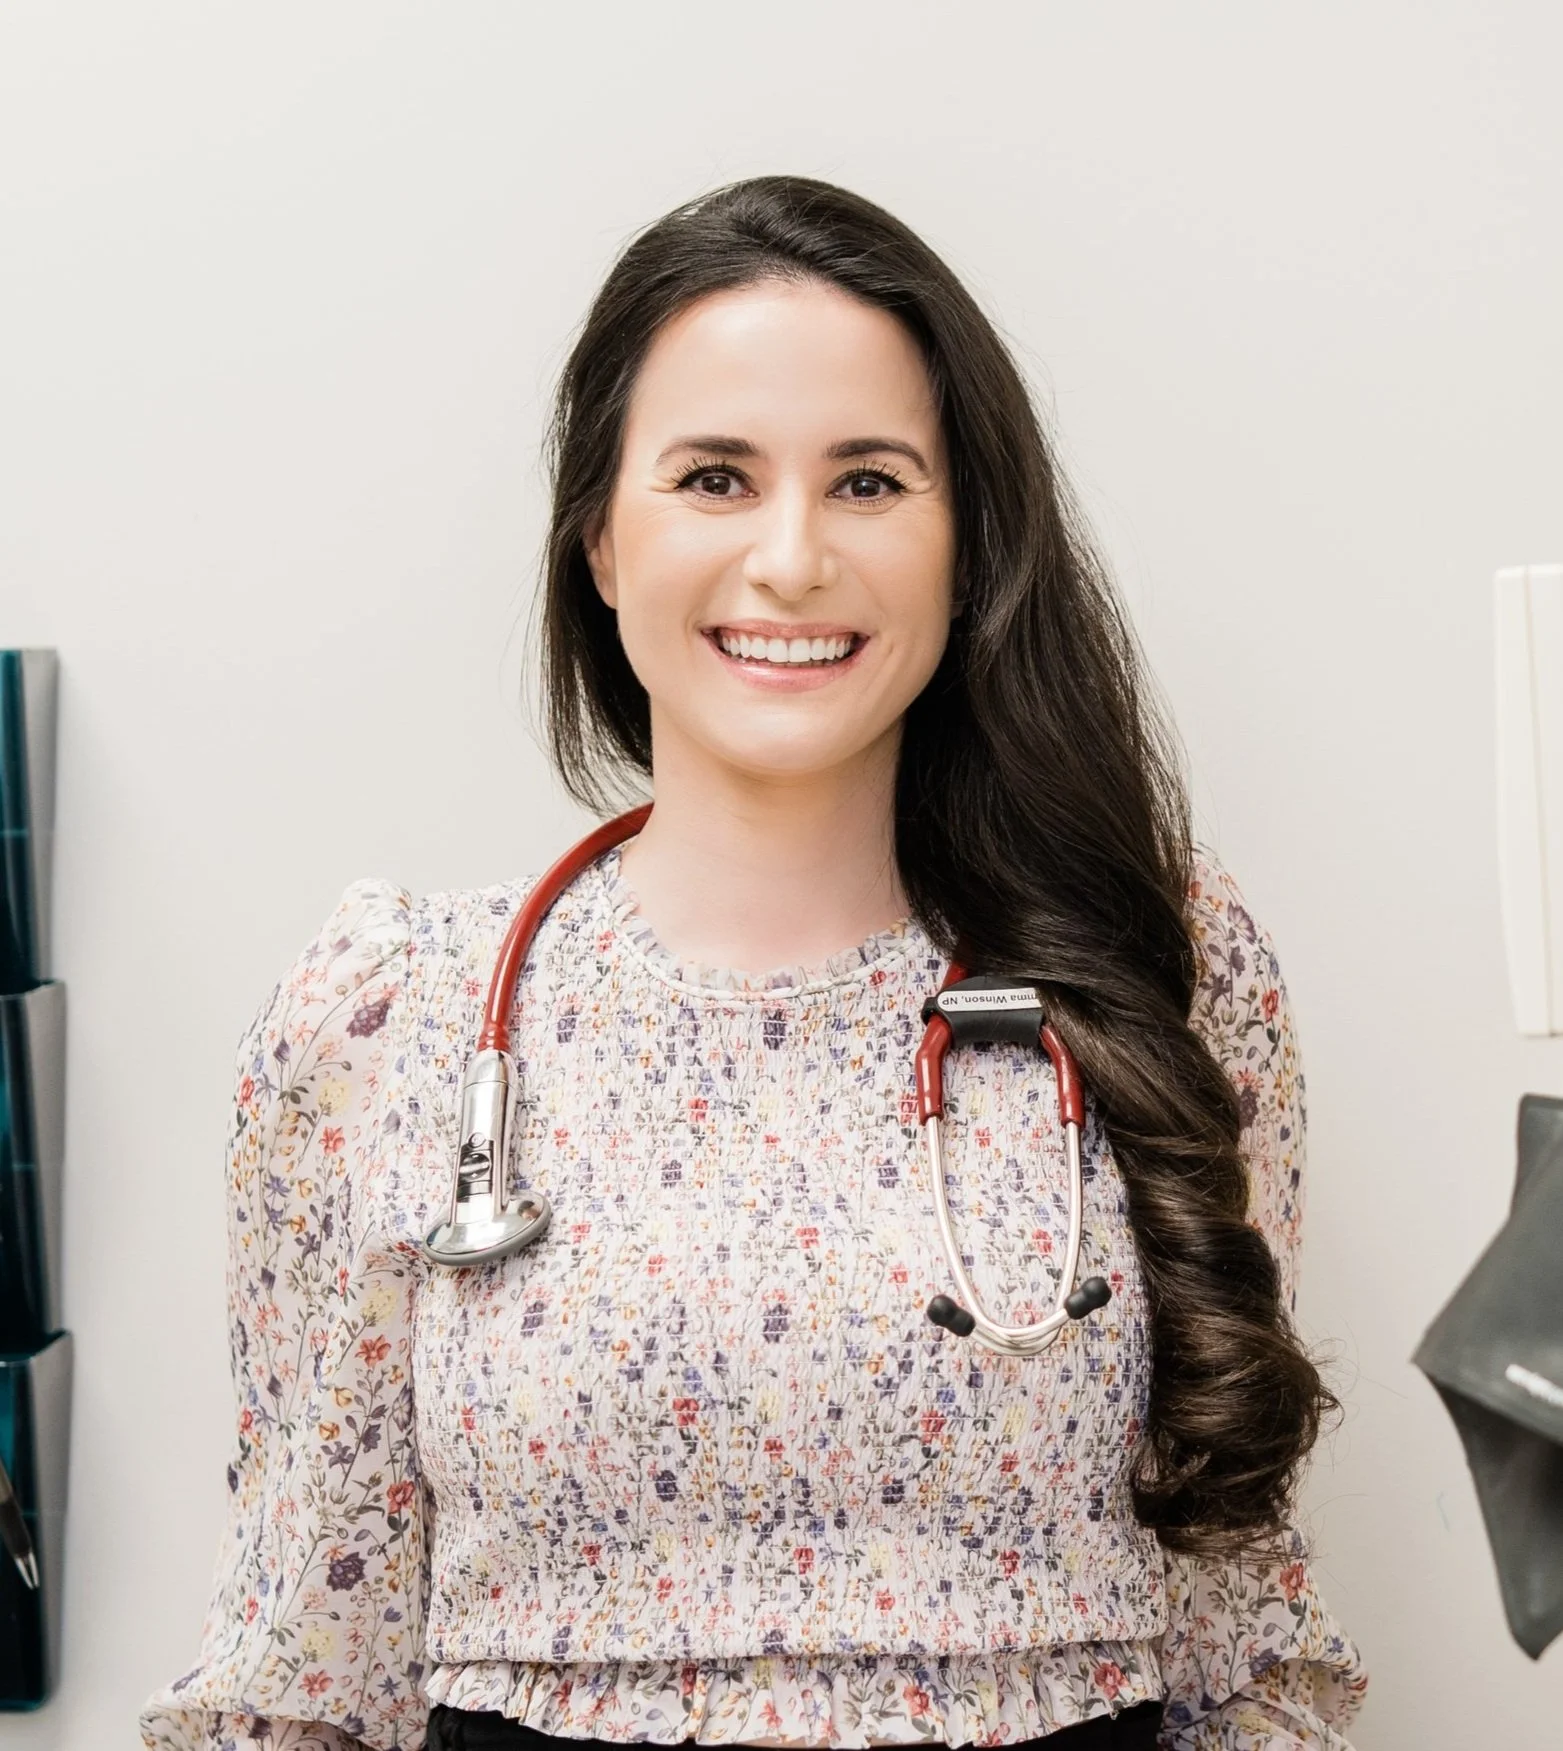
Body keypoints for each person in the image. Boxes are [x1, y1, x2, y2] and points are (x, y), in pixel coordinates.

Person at [140, 176, 1366, 1751]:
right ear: (598, 534)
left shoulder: (1159, 976)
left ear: (964, 540)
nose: (790, 559)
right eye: (714, 476)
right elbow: (297, 1686)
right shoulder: (391, 1019)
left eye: (868, 482)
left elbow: (1247, 1649)